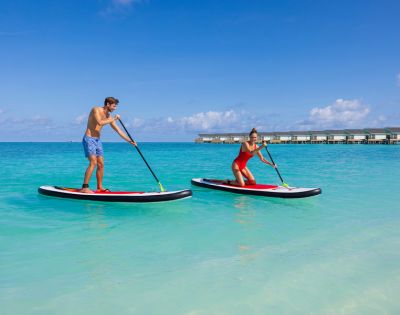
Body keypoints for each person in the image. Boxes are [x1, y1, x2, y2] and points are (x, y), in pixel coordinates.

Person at [81, 97, 136, 193]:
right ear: (107, 104)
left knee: (101, 164)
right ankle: (85, 187)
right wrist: (114, 118)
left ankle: (99, 187)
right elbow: (99, 122)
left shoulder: (109, 117)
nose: (115, 108)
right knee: (93, 162)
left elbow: (118, 131)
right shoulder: (96, 109)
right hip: (89, 139)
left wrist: (130, 141)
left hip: (98, 140)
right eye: (114, 106)